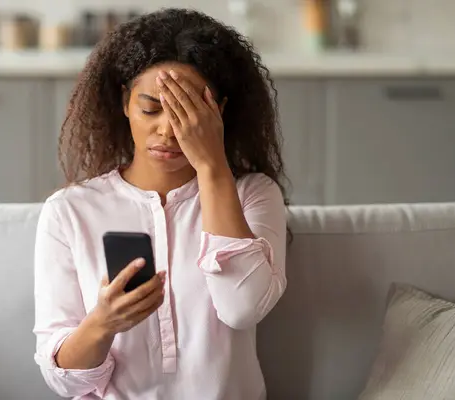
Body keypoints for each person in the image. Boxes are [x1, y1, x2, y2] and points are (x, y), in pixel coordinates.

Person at [33, 7, 289, 400]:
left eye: (186, 113)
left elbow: (242, 308)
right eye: (150, 109)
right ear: (124, 102)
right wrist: (102, 323)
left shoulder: (252, 194)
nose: (167, 130)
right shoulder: (69, 211)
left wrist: (212, 165)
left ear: (217, 112)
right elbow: (65, 381)